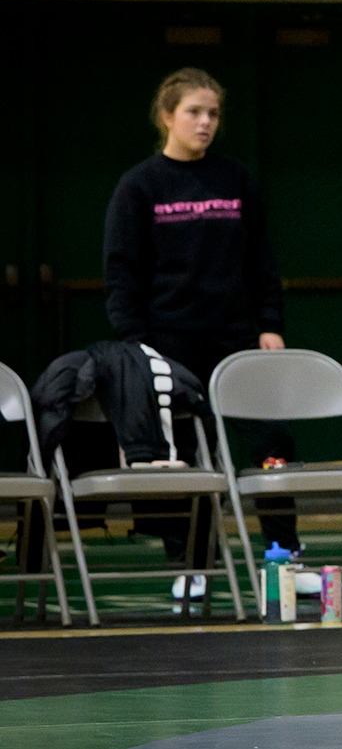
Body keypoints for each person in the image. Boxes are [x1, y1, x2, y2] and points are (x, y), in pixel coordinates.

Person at [102, 68, 296, 599]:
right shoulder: (139, 185)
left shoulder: (235, 179)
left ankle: (286, 552)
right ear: (167, 116)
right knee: (185, 453)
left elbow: (261, 260)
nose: (205, 122)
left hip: (237, 337)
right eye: (194, 112)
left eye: (213, 113)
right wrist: (137, 342)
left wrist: (270, 324)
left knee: (271, 441)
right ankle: (193, 561)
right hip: (168, 341)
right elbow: (121, 271)